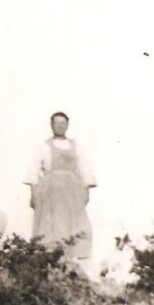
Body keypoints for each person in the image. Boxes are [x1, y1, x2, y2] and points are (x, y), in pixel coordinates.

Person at [23, 111, 96, 263]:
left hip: (72, 191)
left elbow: (85, 169)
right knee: (51, 223)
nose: (60, 126)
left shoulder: (76, 147)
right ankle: (51, 255)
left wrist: (86, 191)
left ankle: (72, 257)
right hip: (50, 191)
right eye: (57, 123)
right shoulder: (43, 146)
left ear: (67, 125)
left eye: (63, 123)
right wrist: (33, 193)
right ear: (51, 125)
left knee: (75, 223)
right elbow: (34, 170)